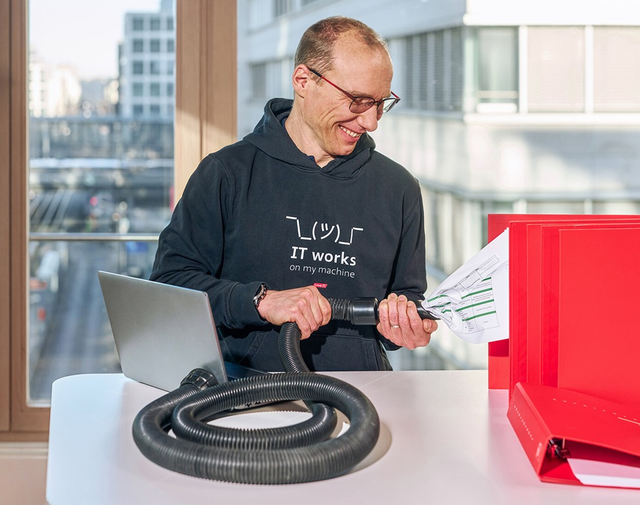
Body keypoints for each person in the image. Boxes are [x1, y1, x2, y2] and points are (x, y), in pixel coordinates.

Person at [150, 16, 437, 372]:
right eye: (358, 101)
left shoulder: (399, 189)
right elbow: (170, 284)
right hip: (243, 393)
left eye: (381, 102)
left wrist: (405, 326)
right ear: (303, 80)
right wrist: (261, 301)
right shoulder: (226, 173)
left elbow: (406, 300)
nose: (371, 121)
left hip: (361, 398)